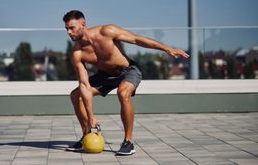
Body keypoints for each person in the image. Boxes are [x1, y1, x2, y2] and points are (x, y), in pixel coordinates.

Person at [63, 10, 189, 155]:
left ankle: (128, 142)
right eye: (66, 28)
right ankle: (87, 135)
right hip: (105, 76)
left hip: (128, 70)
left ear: (83, 24)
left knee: (123, 93)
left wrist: (167, 48)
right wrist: (91, 117)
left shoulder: (107, 31)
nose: (68, 32)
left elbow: (136, 39)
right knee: (75, 95)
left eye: (72, 28)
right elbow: (84, 85)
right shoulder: (77, 53)